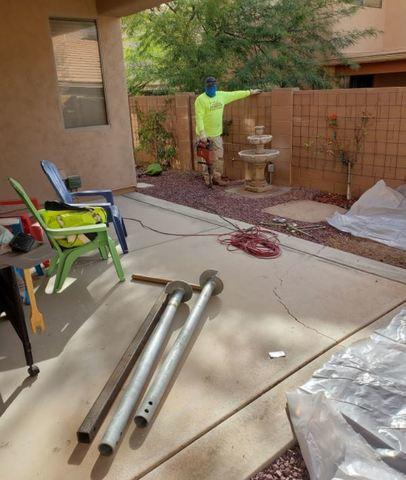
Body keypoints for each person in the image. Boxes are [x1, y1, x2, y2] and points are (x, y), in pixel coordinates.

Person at [195, 76, 262, 185]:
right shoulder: (200, 100)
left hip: (216, 134)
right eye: (209, 86)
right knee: (207, 158)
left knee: (219, 157)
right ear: (206, 87)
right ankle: (208, 179)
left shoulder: (221, 95)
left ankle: (217, 177)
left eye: (213, 86)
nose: (211, 88)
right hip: (205, 135)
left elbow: (235, 94)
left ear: (215, 86)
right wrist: (202, 133)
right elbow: (199, 117)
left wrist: (250, 92)